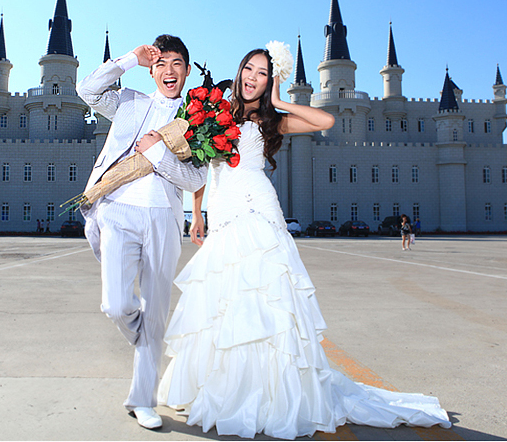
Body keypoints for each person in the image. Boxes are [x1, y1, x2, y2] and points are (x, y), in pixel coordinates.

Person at [158, 47, 450, 439]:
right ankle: (225, 388)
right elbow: (200, 165)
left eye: (262, 73)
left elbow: (325, 119)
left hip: (257, 210)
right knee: (224, 299)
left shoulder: (272, 121)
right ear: (239, 70)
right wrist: (197, 213)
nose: (252, 77)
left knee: (265, 298)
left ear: (269, 80)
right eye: (249, 68)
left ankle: (269, 396)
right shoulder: (213, 111)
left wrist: (278, 102)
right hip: (223, 210)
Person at [76, 35, 208, 430]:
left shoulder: (197, 120)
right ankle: (149, 337)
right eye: (161, 63)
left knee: (155, 307)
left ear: (187, 70)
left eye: (177, 63)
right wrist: (129, 59)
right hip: (117, 210)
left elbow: (195, 176)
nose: (169, 71)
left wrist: (156, 153)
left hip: (163, 219)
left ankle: (142, 399)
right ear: (153, 70)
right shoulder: (130, 102)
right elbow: (87, 89)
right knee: (117, 305)